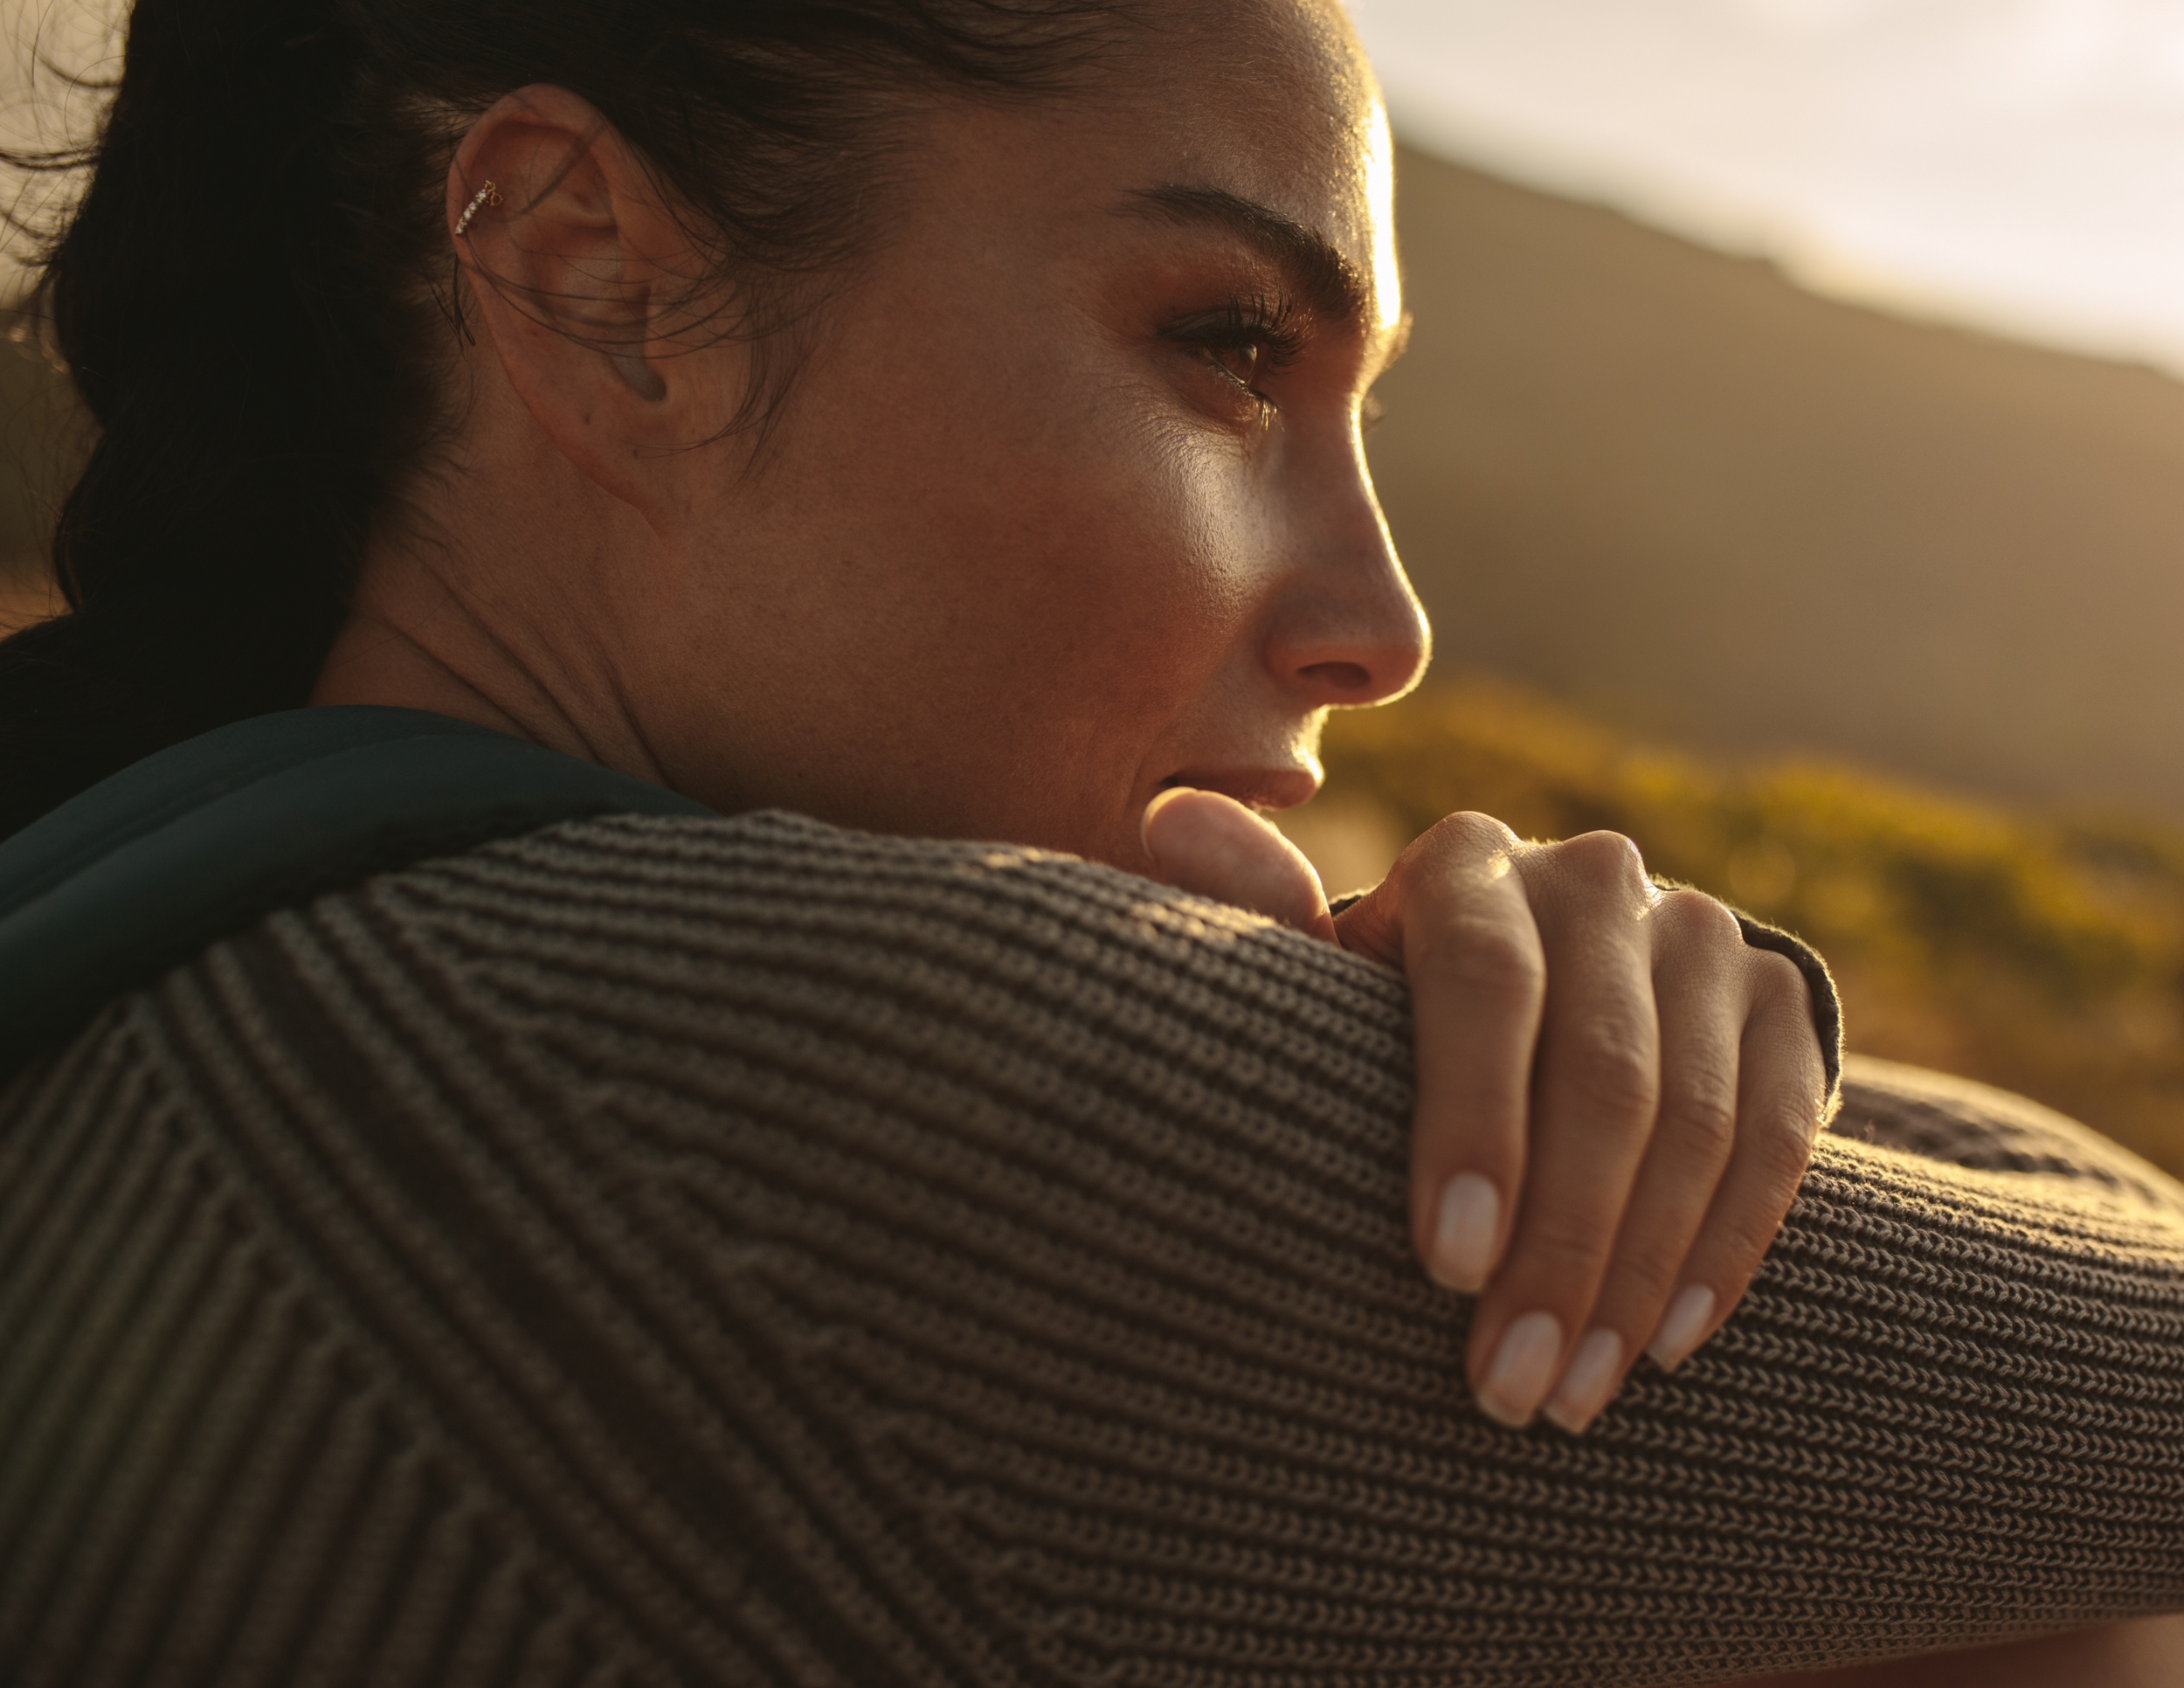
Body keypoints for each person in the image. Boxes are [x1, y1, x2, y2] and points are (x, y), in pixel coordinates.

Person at [0, 1, 2179, 1683]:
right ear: (590, 279)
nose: (1383, 622)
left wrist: (1711, 1053)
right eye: (1227, 348)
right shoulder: (697, 1071)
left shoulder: (186, 905)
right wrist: (1764, 1070)